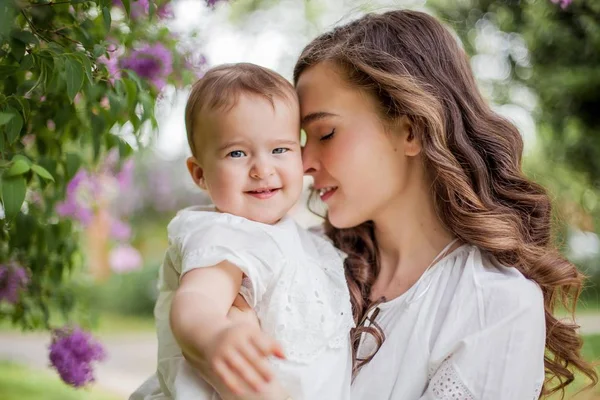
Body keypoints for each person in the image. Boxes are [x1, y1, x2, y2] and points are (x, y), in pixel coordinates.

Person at [167, 9, 598, 400]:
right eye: (298, 142)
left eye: (325, 134)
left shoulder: (492, 305)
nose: (305, 163)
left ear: (409, 131)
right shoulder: (301, 257)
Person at [131, 63, 354, 400]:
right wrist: (213, 337)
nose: (262, 169)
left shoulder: (304, 240)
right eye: (237, 153)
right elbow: (197, 300)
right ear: (199, 173)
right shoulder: (223, 234)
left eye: (280, 149)